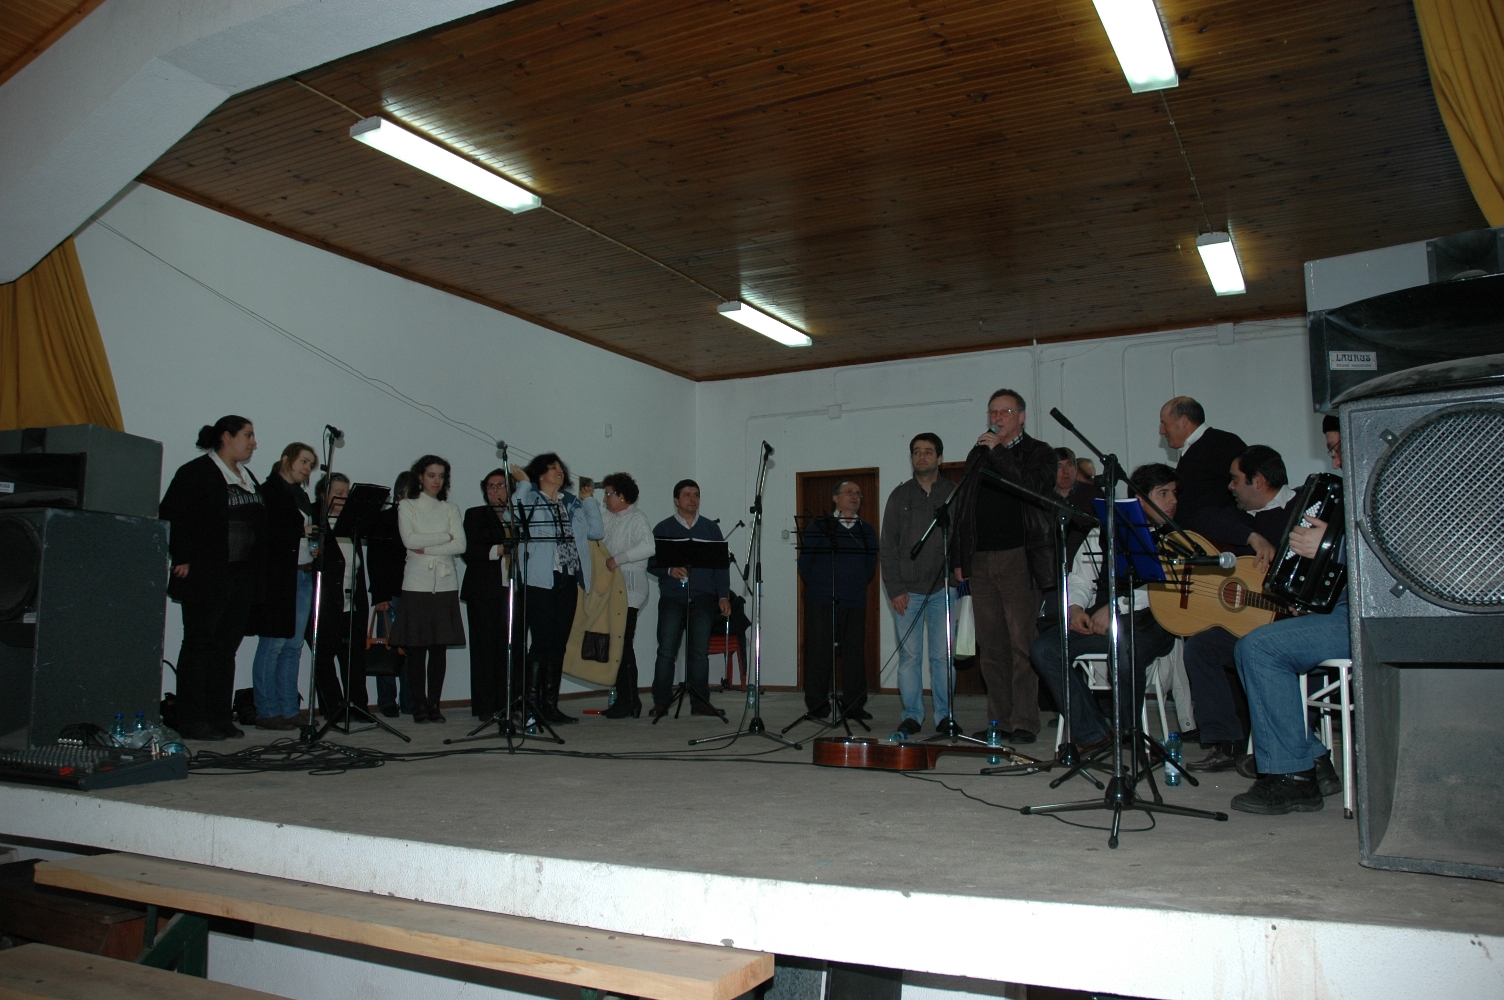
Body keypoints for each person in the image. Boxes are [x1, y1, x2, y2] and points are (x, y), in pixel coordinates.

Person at [1229, 424, 1348, 814]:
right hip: (1341, 609)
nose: (1335, 461)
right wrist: (1308, 596)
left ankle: (1294, 775)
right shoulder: (1353, 492)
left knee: (1259, 648)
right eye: (1331, 451)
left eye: (1338, 449)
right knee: (1257, 642)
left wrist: (1330, 546)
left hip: (1369, 619)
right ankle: (1310, 758)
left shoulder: (1387, 489)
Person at [1029, 464, 1181, 751]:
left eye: (1174, 493)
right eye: (1163, 493)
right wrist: (1075, 608)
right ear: (1139, 500)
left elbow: (1161, 590)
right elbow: (1080, 578)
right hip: (1101, 620)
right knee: (1044, 649)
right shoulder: (1103, 532)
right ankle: (1094, 733)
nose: (1173, 500)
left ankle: (1129, 734)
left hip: (1150, 624)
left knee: (1124, 649)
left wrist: (1115, 608)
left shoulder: (1176, 540)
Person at [1180, 445, 1302, 773]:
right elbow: (1200, 519)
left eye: (1235, 479)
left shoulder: (1303, 509)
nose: (1230, 486)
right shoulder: (1243, 516)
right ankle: (1227, 741)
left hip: (1294, 625)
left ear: (1258, 481)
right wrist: (1253, 537)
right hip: (1252, 622)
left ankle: (1288, 745)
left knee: (1256, 648)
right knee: (1200, 647)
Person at [951, 389, 1057, 742]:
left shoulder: (1039, 452)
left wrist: (999, 451)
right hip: (980, 559)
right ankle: (998, 721)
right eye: (993, 412)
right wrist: (959, 558)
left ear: (1022, 417)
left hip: (1019, 558)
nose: (997, 418)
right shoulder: (977, 454)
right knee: (991, 647)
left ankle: (1024, 721)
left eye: (1005, 411)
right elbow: (962, 508)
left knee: (1022, 644)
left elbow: (1032, 488)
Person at [160, 415, 267, 741]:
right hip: (207, 576)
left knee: (225, 648)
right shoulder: (196, 472)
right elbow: (170, 515)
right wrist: (182, 557)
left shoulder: (246, 476)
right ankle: (193, 719)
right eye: (248, 435)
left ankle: (220, 717)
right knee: (199, 645)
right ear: (226, 437)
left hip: (241, 577)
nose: (253, 443)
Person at [510, 453, 605, 725]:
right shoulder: (530, 498)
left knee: (558, 644)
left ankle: (549, 706)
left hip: (567, 578)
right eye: (552, 468)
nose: (558, 471)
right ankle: (531, 706)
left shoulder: (570, 503)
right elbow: (511, 515)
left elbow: (596, 532)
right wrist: (523, 484)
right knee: (541, 643)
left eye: (560, 467)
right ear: (540, 474)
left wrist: (588, 501)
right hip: (540, 580)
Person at [881, 433, 958, 736]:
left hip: (944, 589)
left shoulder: (953, 493)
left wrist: (959, 575)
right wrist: (895, 589)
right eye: (916, 452)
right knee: (909, 658)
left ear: (940, 458)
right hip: (907, 593)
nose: (921, 456)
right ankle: (912, 715)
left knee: (943, 658)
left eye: (928, 452)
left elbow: (964, 536)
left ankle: (944, 716)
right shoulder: (899, 496)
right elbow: (888, 546)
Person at [390, 455, 467, 723]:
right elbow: (410, 540)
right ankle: (418, 705)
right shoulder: (407, 506)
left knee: (438, 648)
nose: (437, 481)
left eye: (441, 476)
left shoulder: (450, 509)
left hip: (445, 584)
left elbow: (461, 545)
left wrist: (430, 545)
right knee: (416, 648)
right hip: (417, 584)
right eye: (431, 475)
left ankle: (434, 704)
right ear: (420, 477)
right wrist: (444, 537)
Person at [247, 441, 317, 731]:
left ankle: (289, 709)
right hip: (278, 577)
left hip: (303, 574)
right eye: (303, 461)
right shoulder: (268, 491)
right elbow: (265, 532)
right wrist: (301, 530)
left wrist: (314, 544)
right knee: (273, 644)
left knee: (293, 646)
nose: (307, 468)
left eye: (311, 464)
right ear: (287, 459)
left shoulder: (302, 495)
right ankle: (267, 710)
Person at [648, 480, 731, 718]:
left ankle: (700, 702)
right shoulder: (663, 528)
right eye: (687, 495)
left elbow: (721, 566)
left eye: (696, 495)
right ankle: (661, 702)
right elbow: (650, 562)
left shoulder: (710, 529)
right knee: (666, 652)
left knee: (699, 653)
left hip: (703, 598)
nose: (692, 499)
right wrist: (668, 570)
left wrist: (723, 596)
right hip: (672, 597)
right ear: (676, 500)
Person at [799, 480, 879, 721]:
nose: (854, 496)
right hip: (821, 600)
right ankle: (817, 706)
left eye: (858, 493)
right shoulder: (819, 526)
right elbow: (805, 563)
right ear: (835, 498)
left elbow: (870, 566)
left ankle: (853, 706)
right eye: (848, 492)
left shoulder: (867, 530)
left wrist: (854, 584)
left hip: (854, 600)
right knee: (819, 652)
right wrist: (820, 587)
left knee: (854, 653)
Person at [309, 474, 372, 719]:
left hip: (351, 603)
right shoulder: (315, 521)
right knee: (324, 659)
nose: (344, 499)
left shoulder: (352, 525)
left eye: (347, 494)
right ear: (323, 495)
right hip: (324, 604)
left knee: (353, 658)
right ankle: (333, 709)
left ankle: (358, 706)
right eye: (338, 494)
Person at [461, 469, 518, 721]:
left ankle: (507, 702)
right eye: (490, 486)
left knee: (508, 648)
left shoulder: (518, 516)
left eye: (501, 485)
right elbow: (469, 551)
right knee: (484, 649)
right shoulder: (476, 514)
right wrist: (500, 549)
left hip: (513, 590)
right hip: (483, 590)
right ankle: (485, 706)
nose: (495, 490)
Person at [600, 472, 655, 719]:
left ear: (622, 496)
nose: (605, 499)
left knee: (623, 644)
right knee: (618, 646)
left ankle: (630, 700)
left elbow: (649, 547)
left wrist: (618, 559)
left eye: (608, 494)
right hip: (613, 590)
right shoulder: (608, 518)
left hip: (630, 589)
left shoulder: (637, 518)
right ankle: (626, 699)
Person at [367, 470, 414, 718]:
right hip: (390, 594)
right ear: (400, 494)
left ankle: (410, 700)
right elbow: (375, 559)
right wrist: (380, 595)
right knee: (387, 648)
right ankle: (387, 701)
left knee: (412, 650)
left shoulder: (420, 518)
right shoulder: (384, 518)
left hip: (415, 592)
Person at [1158, 396, 1246, 526]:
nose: (1162, 431)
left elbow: (1246, 489)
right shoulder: (1198, 447)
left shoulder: (1224, 444)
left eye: (1164, 423)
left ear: (1184, 421)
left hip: (1218, 535)